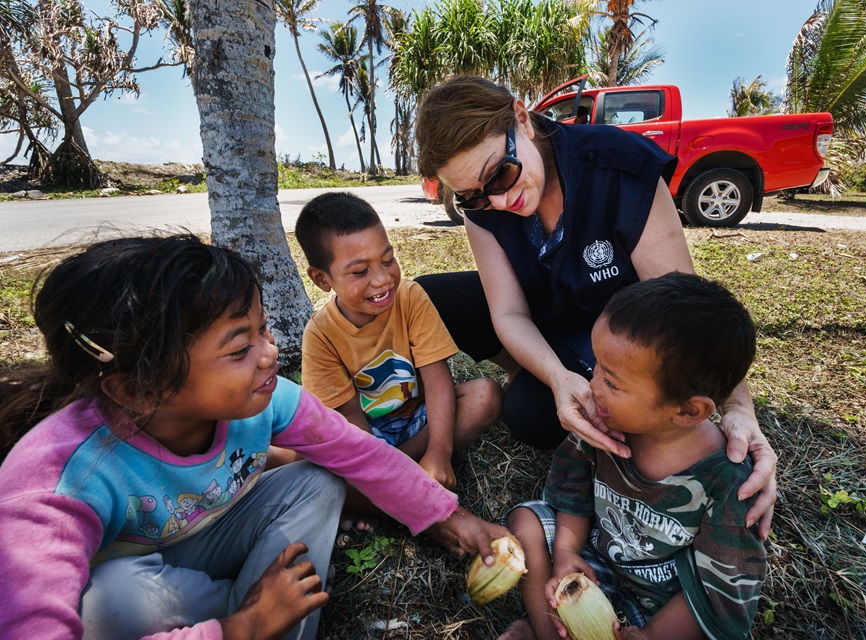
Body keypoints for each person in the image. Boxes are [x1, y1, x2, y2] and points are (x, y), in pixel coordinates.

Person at [0, 234, 509, 640]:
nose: (270, 353)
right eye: (240, 348)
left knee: (318, 480)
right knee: (111, 604)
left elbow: (359, 454)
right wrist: (242, 628)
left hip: (213, 539)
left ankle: (278, 616)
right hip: (136, 574)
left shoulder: (269, 399)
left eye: (263, 331)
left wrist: (448, 515)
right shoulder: (55, 482)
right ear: (140, 386)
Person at [414, 75, 777, 537]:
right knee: (431, 295)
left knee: (530, 416)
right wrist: (555, 376)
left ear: (522, 120)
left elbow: (688, 307)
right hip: (547, 322)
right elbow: (508, 313)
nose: (499, 201)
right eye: (473, 196)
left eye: (500, 174)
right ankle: (536, 372)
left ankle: (583, 382)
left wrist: (740, 407)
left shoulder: (617, 165)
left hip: (625, 339)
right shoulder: (484, 209)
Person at [503, 273, 767, 640]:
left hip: (665, 604)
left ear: (689, 411)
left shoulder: (727, 480)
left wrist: (650, 634)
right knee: (527, 522)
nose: (592, 386)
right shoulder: (603, 426)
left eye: (611, 383)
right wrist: (565, 553)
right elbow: (572, 491)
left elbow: (721, 589)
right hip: (594, 562)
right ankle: (545, 626)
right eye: (595, 366)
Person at [294, 193, 502, 506]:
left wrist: (439, 452)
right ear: (322, 279)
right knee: (305, 460)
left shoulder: (410, 297)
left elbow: (436, 376)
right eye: (360, 272)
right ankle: (397, 480)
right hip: (367, 436)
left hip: (420, 420)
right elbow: (350, 418)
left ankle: (390, 486)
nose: (382, 279)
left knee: (485, 396)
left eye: (388, 260)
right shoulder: (320, 334)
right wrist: (378, 463)